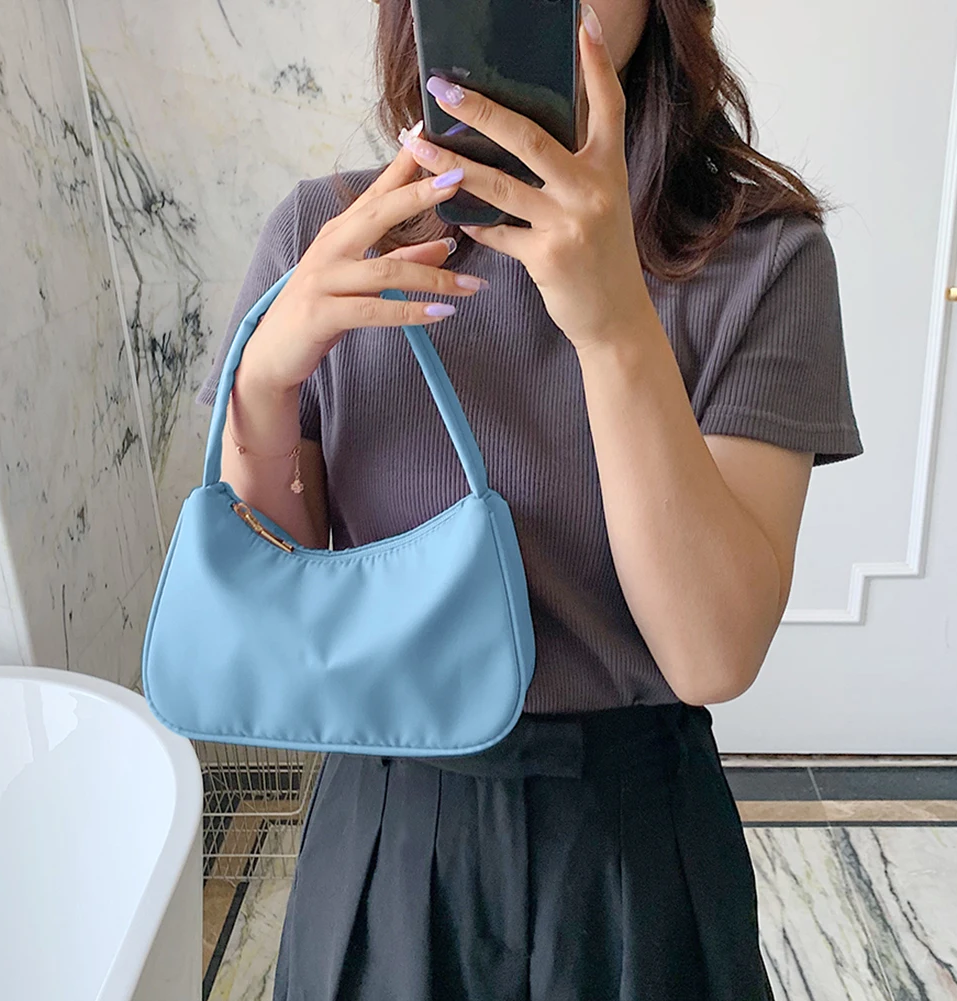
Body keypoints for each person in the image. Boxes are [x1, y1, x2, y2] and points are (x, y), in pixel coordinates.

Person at [196, 1, 863, 997]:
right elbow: (276, 611)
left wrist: (615, 327)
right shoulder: (326, 235)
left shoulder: (761, 255)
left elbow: (713, 654)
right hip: (383, 826)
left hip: (637, 847)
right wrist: (264, 385)